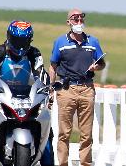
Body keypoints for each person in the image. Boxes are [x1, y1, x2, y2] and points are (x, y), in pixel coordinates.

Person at [0, 20, 54, 166]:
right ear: (9, 37)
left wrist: (48, 86)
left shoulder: (34, 53)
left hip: (25, 96)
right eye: (17, 40)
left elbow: (40, 71)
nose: (21, 44)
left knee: (47, 131)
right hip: (0, 94)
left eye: (25, 41)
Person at [49, 9, 106, 166]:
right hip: (66, 89)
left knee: (86, 133)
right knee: (64, 132)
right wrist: (50, 89)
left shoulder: (93, 42)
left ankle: (86, 163)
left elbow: (102, 63)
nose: (79, 21)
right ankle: (62, 163)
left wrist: (97, 67)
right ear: (68, 22)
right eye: (75, 18)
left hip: (87, 88)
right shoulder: (60, 42)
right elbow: (53, 67)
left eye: (81, 18)